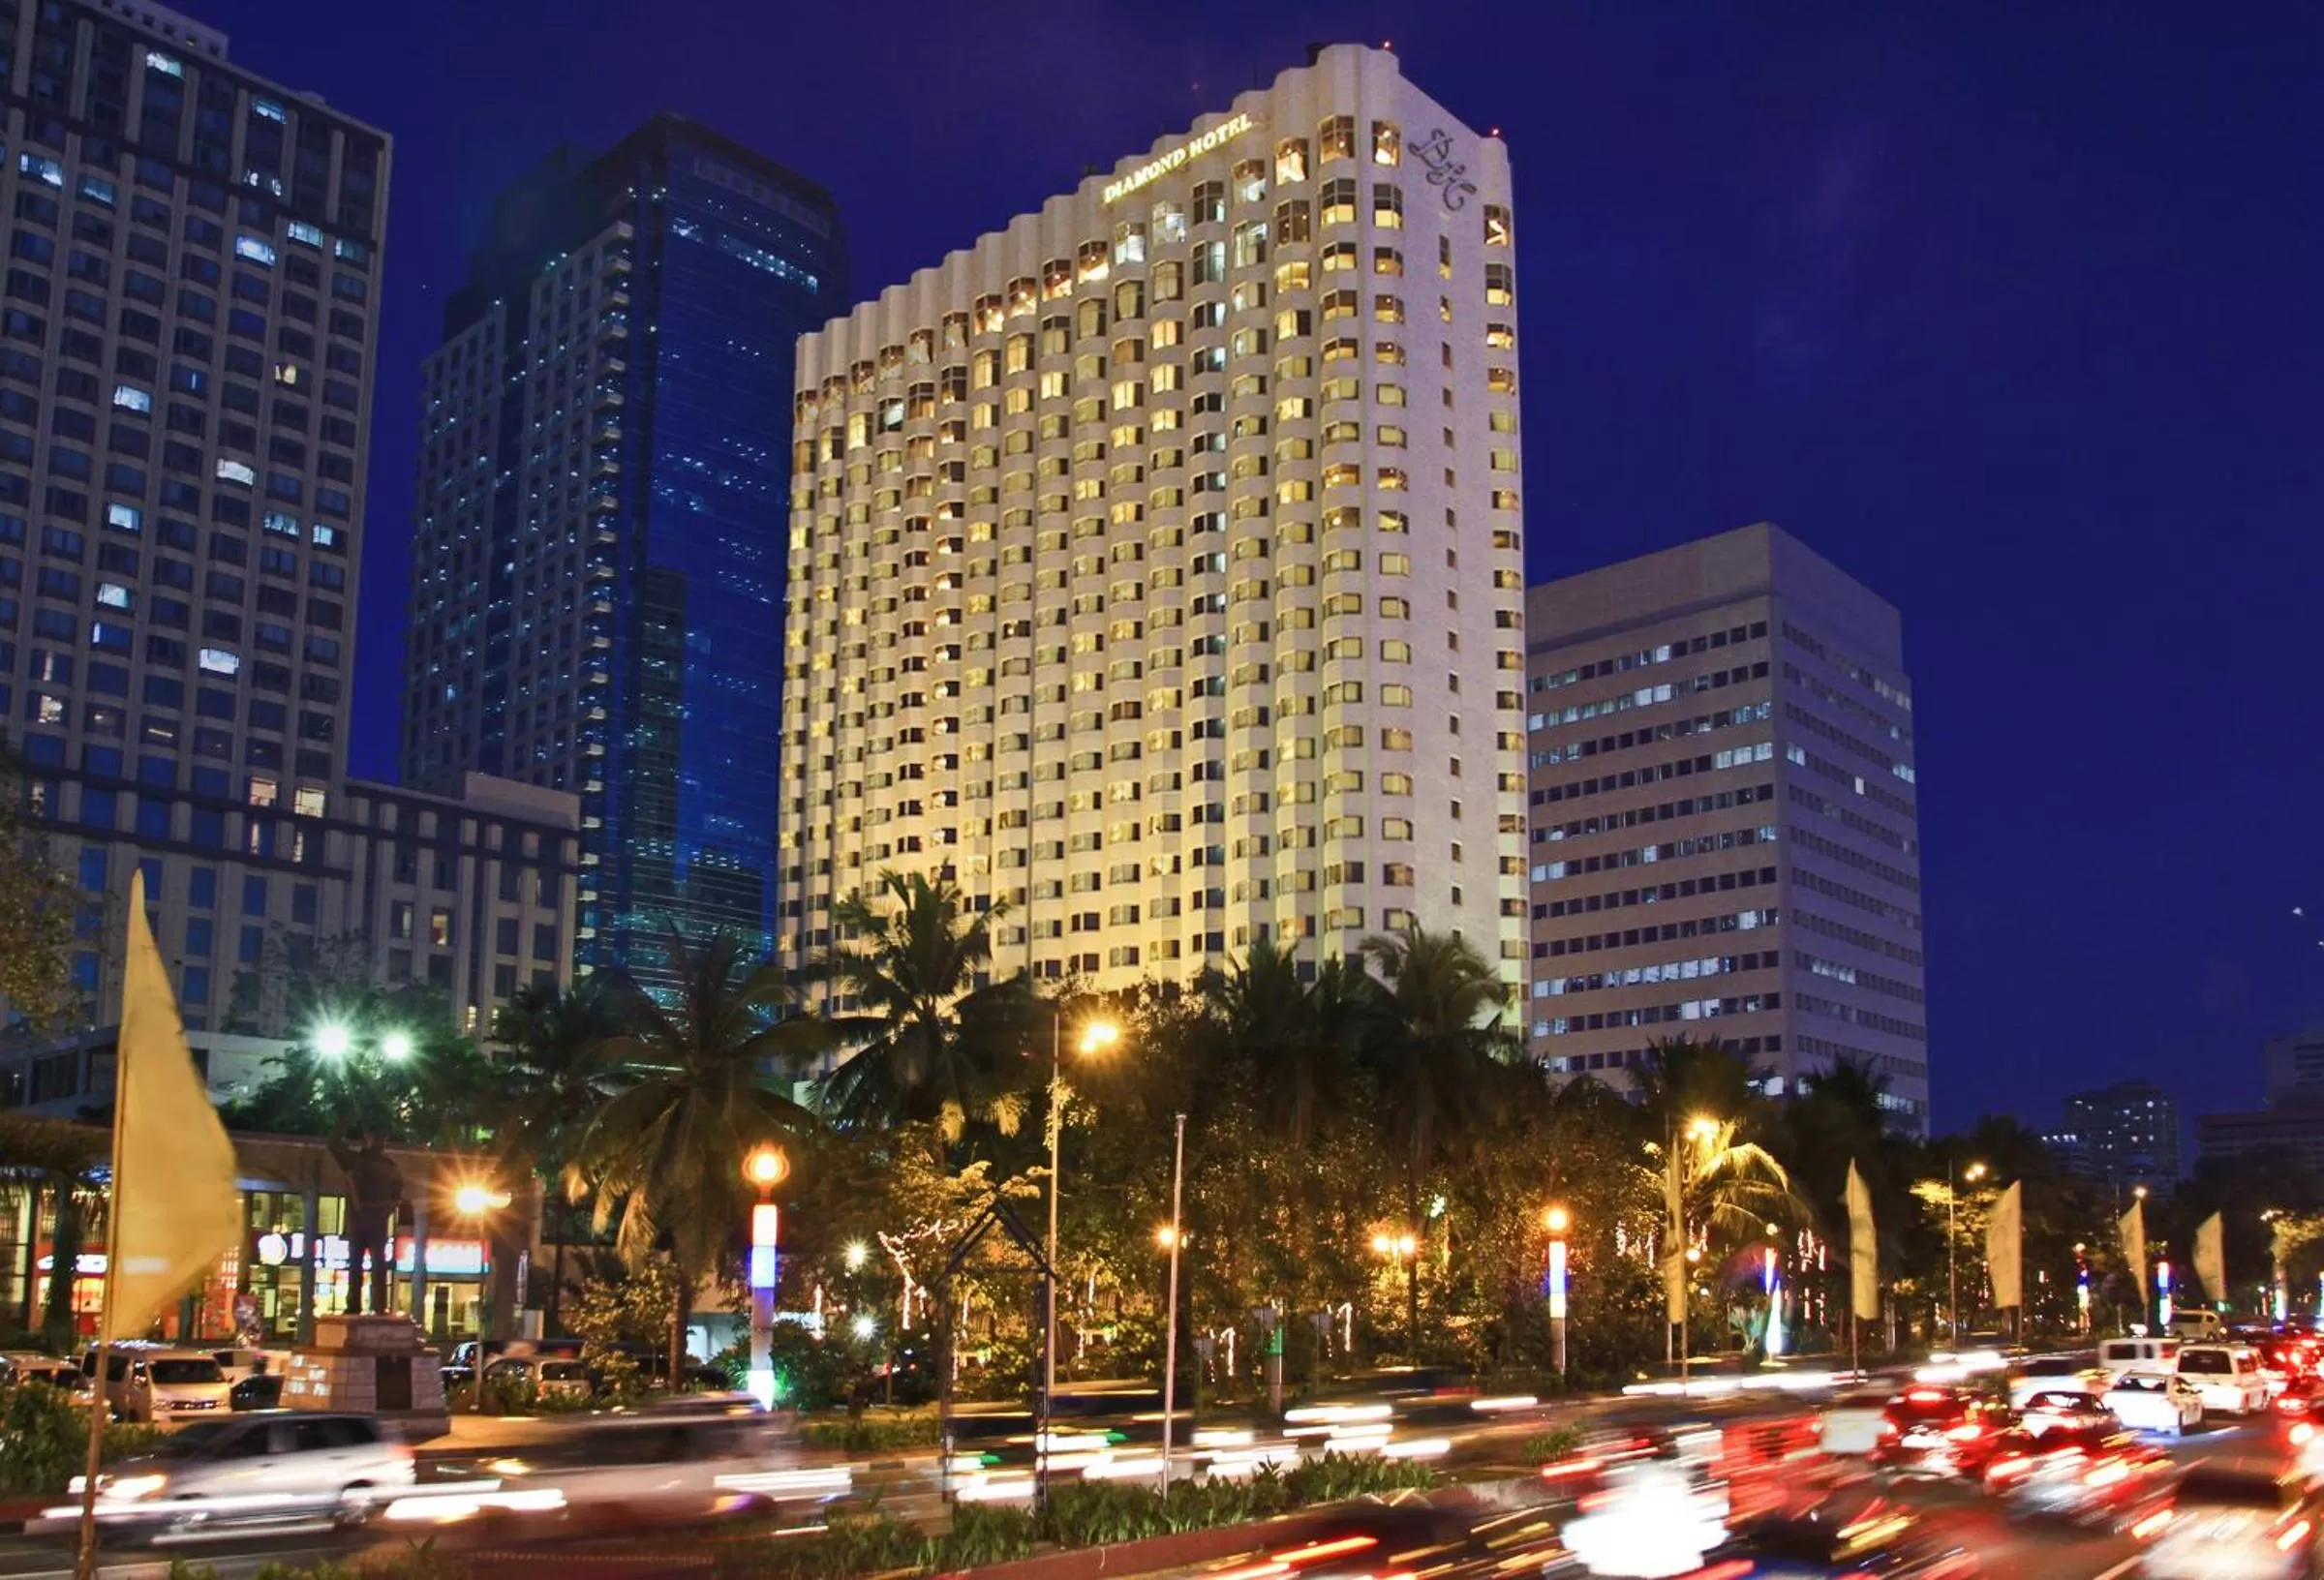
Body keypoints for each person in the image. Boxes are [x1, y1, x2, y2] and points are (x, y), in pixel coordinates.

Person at [326, 1126, 404, 1316]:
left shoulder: (390, 1166)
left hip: (377, 1221)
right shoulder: (355, 1160)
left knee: (379, 1265)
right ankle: (354, 1304)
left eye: (383, 1139)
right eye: (376, 1138)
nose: (380, 1143)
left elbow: (397, 1192)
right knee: (355, 1264)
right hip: (358, 1219)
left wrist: (387, 1209)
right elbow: (333, 1143)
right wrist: (345, 1120)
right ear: (367, 1138)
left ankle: (379, 1306)